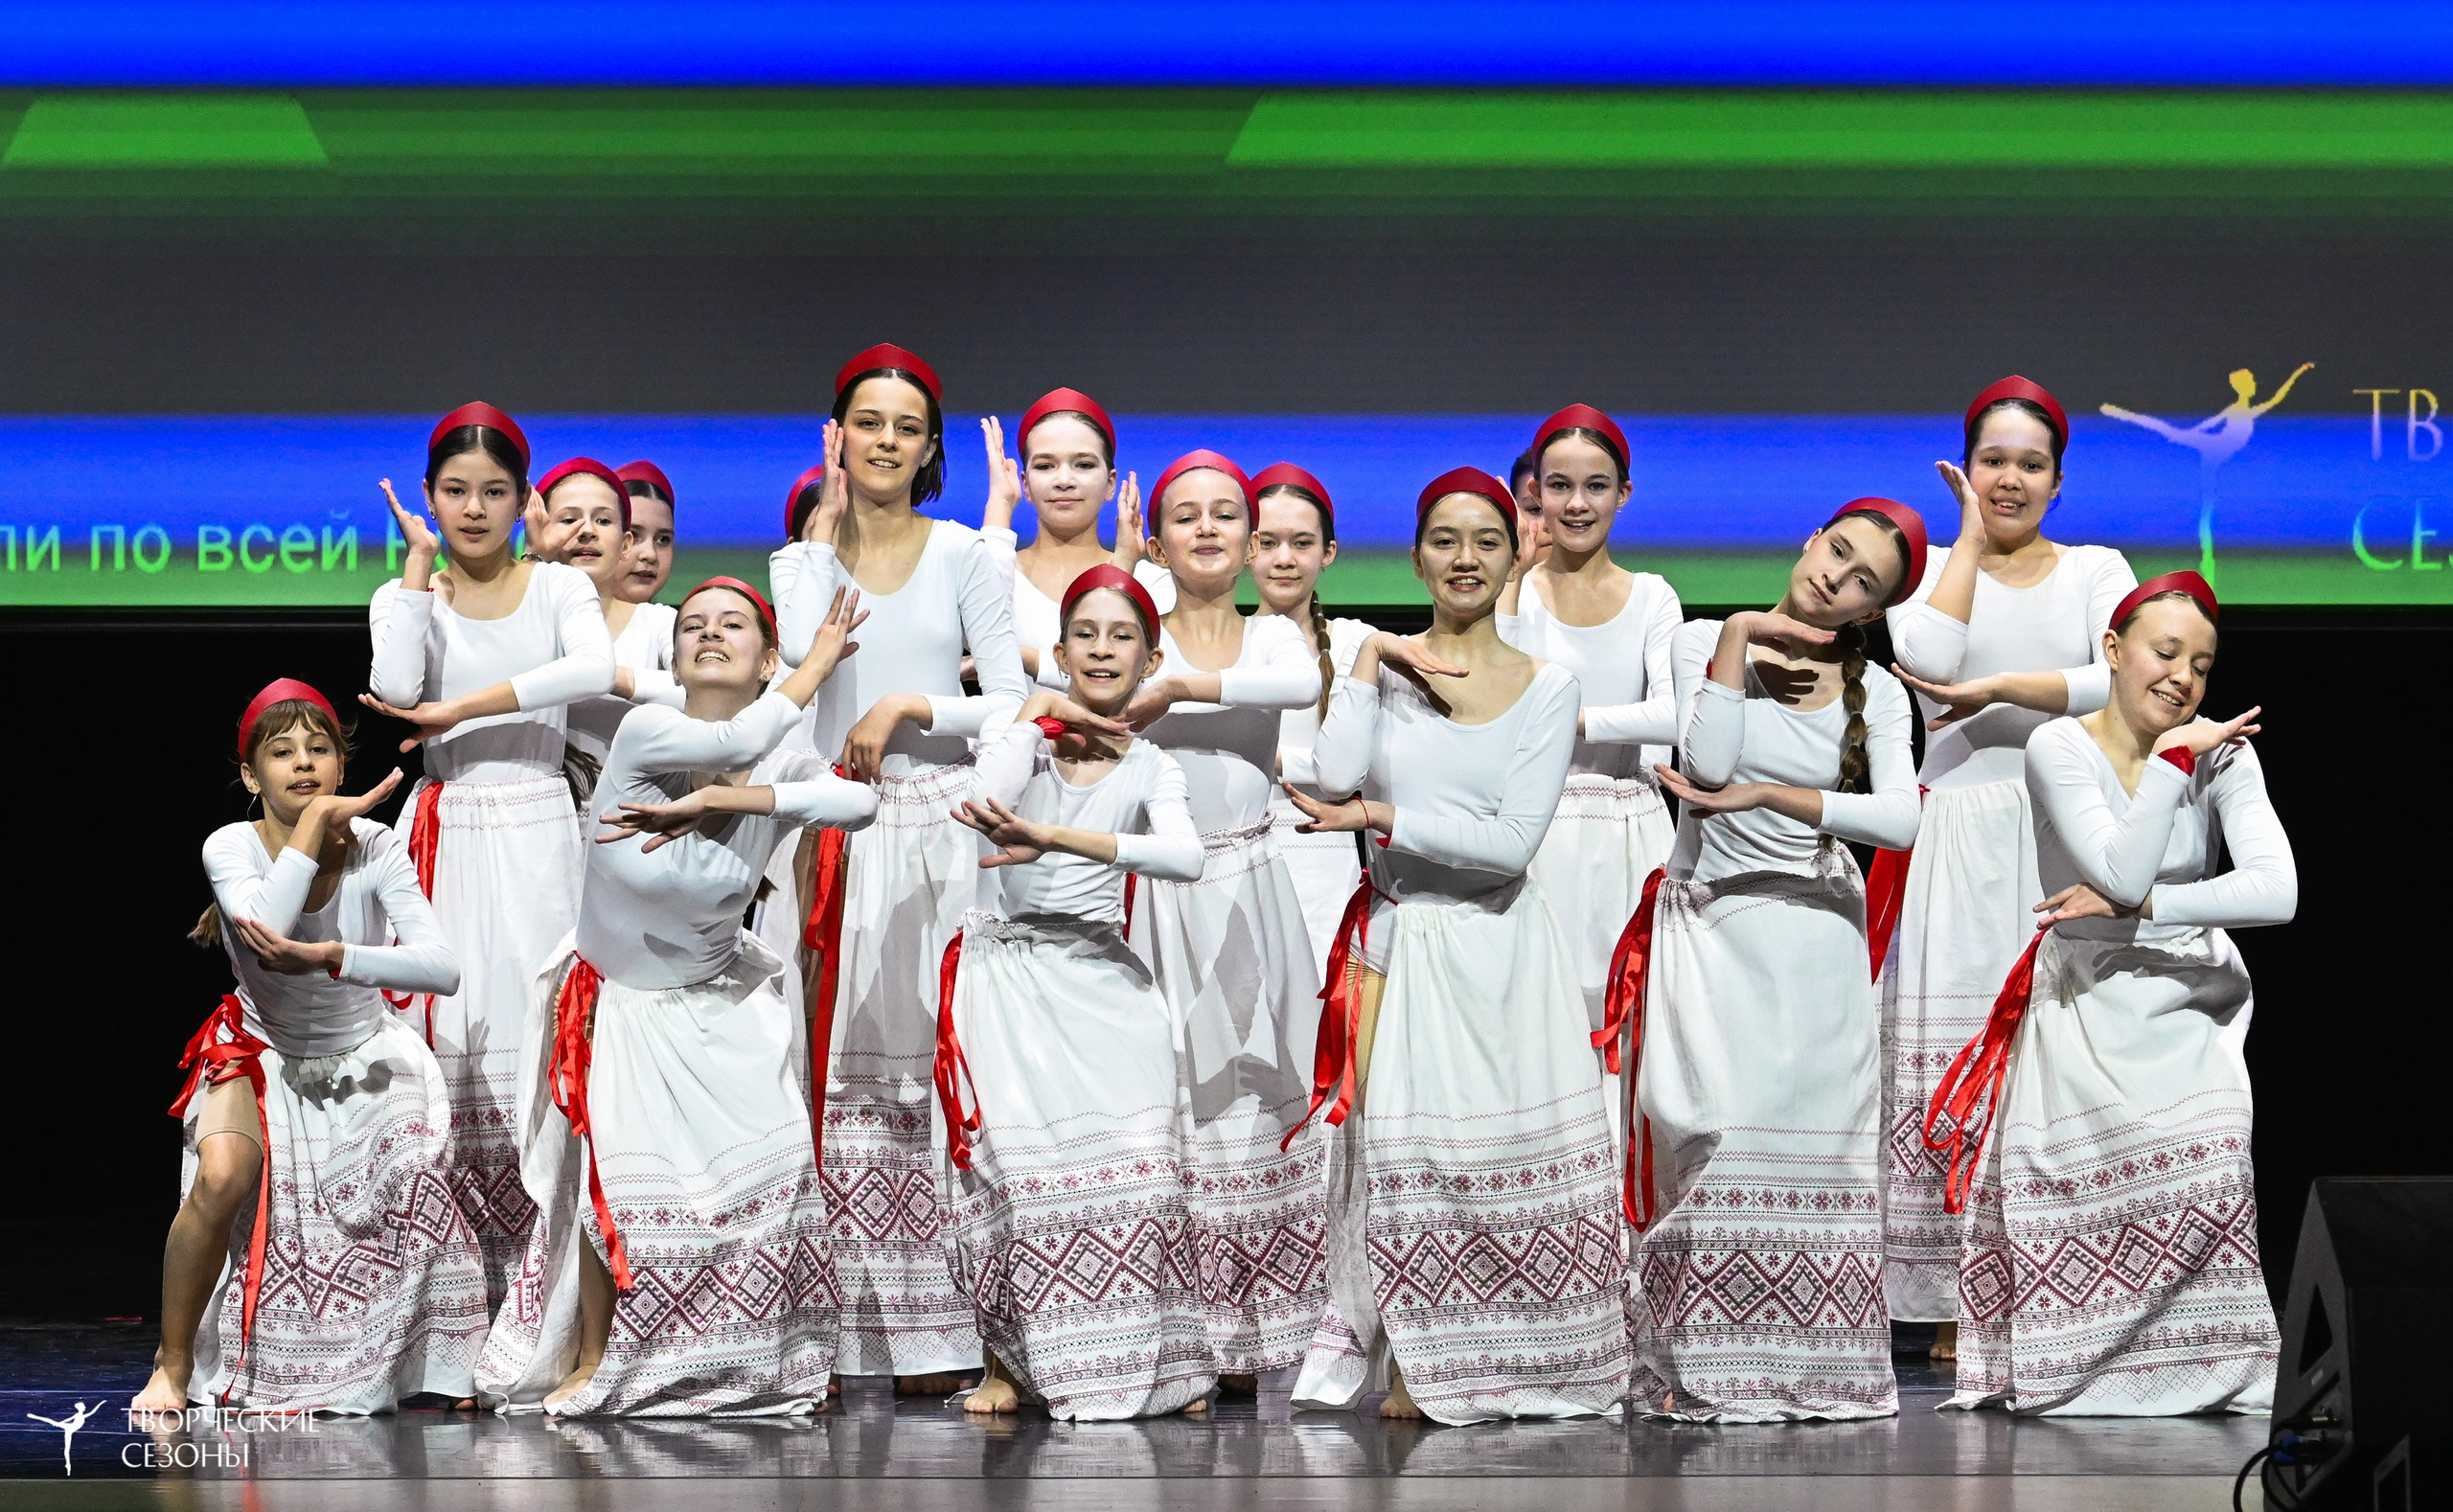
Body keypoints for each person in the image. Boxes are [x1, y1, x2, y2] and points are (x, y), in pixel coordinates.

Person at [479, 579, 877, 1415]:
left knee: (766, 1187)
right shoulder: (649, 729)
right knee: (612, 1192)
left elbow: (858, 800)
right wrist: (816, 668)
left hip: (720, 996)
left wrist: (740, 799)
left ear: (765, 656)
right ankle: (595, 1356)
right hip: (624, 999)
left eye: (733, 624)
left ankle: (751, 1355)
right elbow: (740, 733)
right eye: (693, 623)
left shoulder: (774, 761)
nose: (709, 633)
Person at [1284, 467, 1625, 1426]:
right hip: (1397, 946)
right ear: (1417, 555)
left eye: (1483, 538)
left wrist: (1385, 814)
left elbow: (1510, 845)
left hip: (1497, 947)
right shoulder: (1381, 677)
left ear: (1518, 548)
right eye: (1444, 539)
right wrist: (1368, 663)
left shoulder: (1548, 686)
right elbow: (1332, 775)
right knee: (1404, 1163)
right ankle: (1416, 1359)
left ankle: (1511, 1352)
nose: (1464, 558)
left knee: (1492, 1159)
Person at [1933, 571, 2289, 1416]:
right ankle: (2087, 1367)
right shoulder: (2059, 746)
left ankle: (2206, 1365)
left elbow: (2276, 892)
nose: (2184, 680)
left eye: (2201, 666)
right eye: (2166, 654)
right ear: (2114, 650)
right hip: (2089, 995)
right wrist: (2170, 763)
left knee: (2210, 1168)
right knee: (2071, 1184)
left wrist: (2160, 903)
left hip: (2190, 997)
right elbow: (2119, 868)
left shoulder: (2226, 753)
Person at [761, 346, 1032, 1392]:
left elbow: (1009, 704)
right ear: (837, 436)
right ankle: (831, 1329)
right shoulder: (801, 560)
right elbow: (790, 680)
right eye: (865, 422)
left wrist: (911, 705)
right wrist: (816, 543)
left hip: (933, 829)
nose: (885, 440)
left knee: (928, 1072)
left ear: (929, 447)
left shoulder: (966, 554)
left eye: (904, 427)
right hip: (826, 830)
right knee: (822, 1073)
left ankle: (943, 1333)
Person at [1622, 497, 1925, 1422]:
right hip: (1716, 929)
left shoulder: (1881, 693)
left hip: (1815, 943)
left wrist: (1780, 795)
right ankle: (1704, 1366)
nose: (1836, 576)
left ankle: (1814, 1371)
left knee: (1815, 1161)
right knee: (1708, 1132)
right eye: (1837, 551)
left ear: (1870, 609)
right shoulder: (1705, 640)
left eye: (1862, 578)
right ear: (1809, 540)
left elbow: (1901, 818)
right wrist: (1744, 636)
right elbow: (1706, 769)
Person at [1871, 378, 2138, 1353]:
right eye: (1992, 461)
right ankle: (1949, 1296)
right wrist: (1968, 546)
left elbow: (2122, 671)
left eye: (2030, 464)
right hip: (1954, 842)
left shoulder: (2095, 569)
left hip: (2053, 833)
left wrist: (2002, 689)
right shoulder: (1935, 566)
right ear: (1963, 469)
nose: (2010, 479)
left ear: (2059, 481)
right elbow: (1921, 659)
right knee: (1949, 1055)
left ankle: (2044, 1281)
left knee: (2048, 1056)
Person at [136, 680, 486, 1413]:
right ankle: (171, 1366)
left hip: (364, 1049)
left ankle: (432, 1363)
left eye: (319, 750)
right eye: (282, 751)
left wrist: (337, 955)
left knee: (417, 1178)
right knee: (221, 1175)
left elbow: (441, 967)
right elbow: (266, 932)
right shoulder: (229, 844)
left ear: (340, 764)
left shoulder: (377, 846)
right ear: (249, 776)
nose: (303, 763)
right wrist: (313, 828)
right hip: (260, 1049)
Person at [936, 565, 1213, 1420]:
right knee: (1011, 1183)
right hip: (1011, 980)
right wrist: (1027, 714)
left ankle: (1165, 1363)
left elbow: (1185, 858)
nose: (1101, 649)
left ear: (1148, 654)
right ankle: (1008, 1366)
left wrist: (1056, 837)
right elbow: (986, 802)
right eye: (1084, 634)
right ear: (1058, 651)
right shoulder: (1018, 732)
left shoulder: (1154, 764)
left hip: (1104, 979)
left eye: (1120, 635)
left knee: (1143, 1176)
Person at [363, 403, 616, 1308]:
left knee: (532, 1037)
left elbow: (592, 672)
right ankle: (456, 1300)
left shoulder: (558, 589)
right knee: (450, 1047)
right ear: (430, 497)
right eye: (456, 491)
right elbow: (394, 691)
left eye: (494, 491)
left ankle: (541, 1296)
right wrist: (418, 573)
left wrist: (467, 708)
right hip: (450, 827)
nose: (474, 508)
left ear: (524, 500)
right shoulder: (409, 598)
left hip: (539, 828)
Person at [1116, 450, 1330, 1385]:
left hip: (1250, 886)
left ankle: (1261, 1334)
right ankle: (1177, 1335)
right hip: (1156, 900)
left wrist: (1180, 691)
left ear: (1250, 539)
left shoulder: (1274, 639)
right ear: (1156, 539)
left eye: (1224, 515)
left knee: (1257, 1094)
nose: (1206, 529)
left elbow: (1294, 691)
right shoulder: (1129, 635)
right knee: (1164, 1103)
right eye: (1185, 516)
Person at [1496, 405, 1681, 1068]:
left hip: (1633, 829)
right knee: (1540, 1027)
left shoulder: (1653, 596)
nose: (1575, 504)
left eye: (1596, 486)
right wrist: (1512, 578)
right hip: (1537, 830)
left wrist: (1571, 719)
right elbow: (1502, 703)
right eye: (1558, 485)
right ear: (1533, 493)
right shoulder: (1510, 593)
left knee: (1638, 1025)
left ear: (1624, 494)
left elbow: (1674, 716)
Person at [1252, 463, 1379, 974]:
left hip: (1325, 858)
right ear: (1245, 548)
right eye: (1268, 542)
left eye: (1302, 543)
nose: (1284, 559)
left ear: (1328, 552)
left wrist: (1269, 758)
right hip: (1236, 857)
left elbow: (1365, 765)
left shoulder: (1355, 643)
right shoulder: (1222, 645)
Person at [976, 387, 1175, 679]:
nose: (1064, 480)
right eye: (1045, 466)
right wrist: (999, 505)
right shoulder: (996, 572)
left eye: (1083, 464)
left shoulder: (1152, 584)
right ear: (1025, 484)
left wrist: (1122, 571)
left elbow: (1127, 684)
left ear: (1110, 484)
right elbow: (983, 638)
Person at [562, 460, 683, 772]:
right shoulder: (548, 616)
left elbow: (702, 697)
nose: (648, 555)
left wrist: (608, 676)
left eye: (663, 539)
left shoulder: (667, 625)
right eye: (635, 534)